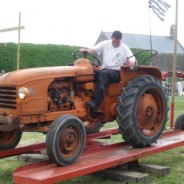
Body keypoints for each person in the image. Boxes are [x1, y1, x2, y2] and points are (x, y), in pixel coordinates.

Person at [80, 30, 136, 109]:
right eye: (114, 41)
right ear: (111, 38)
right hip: (104, 70)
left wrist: (131, 63)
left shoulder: (124, 48)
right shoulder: (105, 43)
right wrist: (86, 51)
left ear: (120, 40)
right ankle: (84, 97)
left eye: (118, 42)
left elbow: (132, 59)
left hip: (117, 72)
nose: (116, 43)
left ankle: (96, 101)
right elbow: (93, 49)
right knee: (89, 73)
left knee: (103, 74)